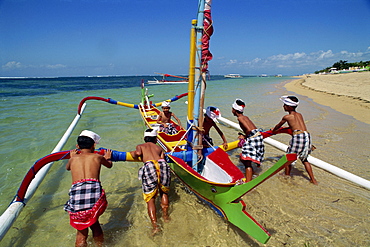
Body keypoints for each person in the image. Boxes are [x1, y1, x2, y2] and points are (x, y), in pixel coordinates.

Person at [64, 130, 112, 247]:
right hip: (93, 193)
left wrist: (73, 156)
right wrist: (108, 157)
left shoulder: (72, 159)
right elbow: (109, 165)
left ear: (77, 146)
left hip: (77, 195)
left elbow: (68, 168)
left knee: (81, 231)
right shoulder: (98, 157)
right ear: (94, 145)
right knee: (95, 224)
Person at [130, 129, 171, 235]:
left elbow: (138, 153)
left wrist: (134, 154)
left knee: (151, 198)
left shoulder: (141, 146)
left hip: (150, 166)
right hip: (162, 165)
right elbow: (163, 158)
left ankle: (155, 226)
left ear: (144, 138)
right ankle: (166, 217)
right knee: (164, 192)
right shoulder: (159, 147)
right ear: (156, 139)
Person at [272, 95, 318, 185]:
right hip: (307, 136)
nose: (283, 106)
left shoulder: (287, 117)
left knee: (289, 157)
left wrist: (274, 130)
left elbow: (278, 126)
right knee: (304, 159)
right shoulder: (299, 115)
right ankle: (313, 179)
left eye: (284, 105)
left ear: (288, 106)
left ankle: (287, 175)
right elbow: (296, 126)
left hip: (298, 137)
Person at [232, 99, 264, 182]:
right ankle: (251, 173)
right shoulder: (245, 117)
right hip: (257, 136)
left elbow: (249, 130)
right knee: (243, 158)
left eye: (232, 108)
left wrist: (244, 136)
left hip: (253, 138)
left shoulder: (240, 118)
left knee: (247, 162)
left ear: (234, 110)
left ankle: (248, 182)